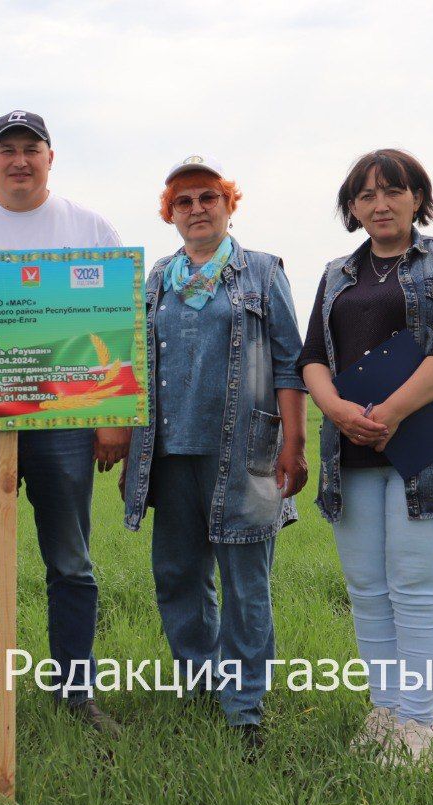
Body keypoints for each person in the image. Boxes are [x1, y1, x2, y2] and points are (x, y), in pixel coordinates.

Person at [299, 149, 433, 764]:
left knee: (419, 589)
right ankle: (385, 712)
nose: (380, 204)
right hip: (355, 449)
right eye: (365, 196)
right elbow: (312, 355)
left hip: (431, 452)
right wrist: (336, 410)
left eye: (393, 191)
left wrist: (389, 411)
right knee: (369, 590)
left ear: (418, 197)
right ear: (352, 208)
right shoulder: (338, 273)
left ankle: (417, 728)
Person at [0, 109, 128, 741]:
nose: (19, 160)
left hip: (65, 424)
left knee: (70, 561)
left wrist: (112, 420)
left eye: (31, 149)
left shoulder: (89, 227)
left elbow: (114, 328)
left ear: (51, 158)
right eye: (6, 149)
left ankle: (77, 692)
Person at [120, 155, 308, 747]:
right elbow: (131, 365)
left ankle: (245, 706)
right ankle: (198, 684)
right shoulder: (156, 280)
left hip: (245, 450)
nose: (196, 209)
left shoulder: (261, 272)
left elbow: (289, 363)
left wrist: (295, 441)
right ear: (169, 213)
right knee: (178, 574)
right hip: (167, 454)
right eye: (184, 201)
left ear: (229, 204)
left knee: (245, 579)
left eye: (207, 198)